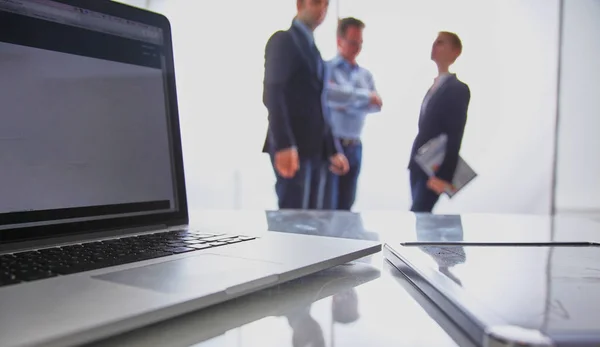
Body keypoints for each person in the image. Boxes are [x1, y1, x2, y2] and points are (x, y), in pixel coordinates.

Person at [262, 0, 349, 210]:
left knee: (312, 226)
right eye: (316, 3)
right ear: (300, 4)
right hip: (293, 148)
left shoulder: (314, 50)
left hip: (316, 150)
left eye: (326, 5)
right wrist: (284, 144)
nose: (322, 9)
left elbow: (320, 104)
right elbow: (273, 93)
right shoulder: (283, 40)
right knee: (292, 225)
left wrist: (333, 148)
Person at [408, 31, 471, 213]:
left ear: (455, 52)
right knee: (418, 218)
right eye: (435, 42)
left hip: (434, 168)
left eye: (441, 43)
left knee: (419, 214)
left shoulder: (458, 89)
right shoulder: (434, 86)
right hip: (419, 162)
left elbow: (456, 133)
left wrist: (444, 175)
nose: (435, 46)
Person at [324, 17, 382, 210]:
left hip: (355, 146)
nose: (357, 47)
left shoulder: (365, 75)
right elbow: (328, 96)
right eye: (353, 42)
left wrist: (345, 101)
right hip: (333, 146)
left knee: (347, 205)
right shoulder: (326, 69)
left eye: (360, 43)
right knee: (328, 205)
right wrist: (364, 98)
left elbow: (376, 105)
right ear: (339, 40)